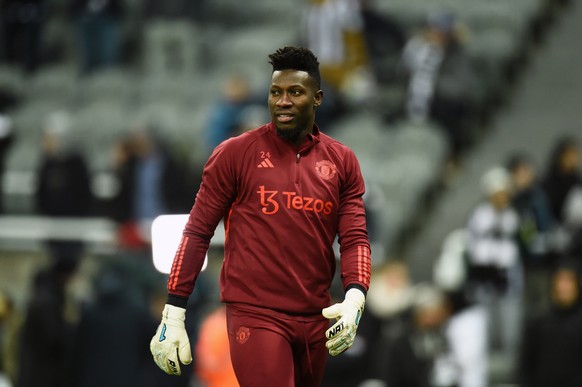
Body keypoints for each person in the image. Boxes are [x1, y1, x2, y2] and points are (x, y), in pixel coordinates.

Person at [149, 46, 372, 387]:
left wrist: (355, 296)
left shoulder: (342, 162)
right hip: (256, 314)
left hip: (315, 314)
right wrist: (174, 309)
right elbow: (197, 232)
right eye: (275, 92)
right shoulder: (234, 154)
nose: (282, 101)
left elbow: (355, 238)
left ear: (318, 98)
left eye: (295, 92)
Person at [519, 260, 582, 387]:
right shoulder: (538, 323)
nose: (564, 287)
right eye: (560, 280)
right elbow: (525, 366)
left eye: (569, 281)